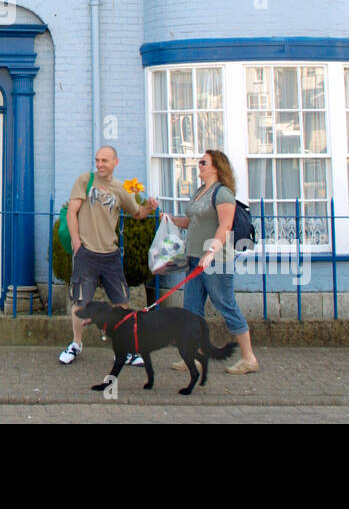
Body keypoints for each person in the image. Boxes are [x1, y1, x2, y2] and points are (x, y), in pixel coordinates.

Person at [59, 146, 159, 365]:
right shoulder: (85, 181)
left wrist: (150, 207)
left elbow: (137, 213)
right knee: (80, 301)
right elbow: (72, 212)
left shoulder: (120, 188)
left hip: (110, 255)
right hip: (86, 253)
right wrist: (77, 243)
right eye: (97, 160)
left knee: (121, 302)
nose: (100, 164)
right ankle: (76, 344)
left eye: (105, 160)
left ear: (115, 162)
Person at [164, 149, 258, 373]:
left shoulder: (222, 194)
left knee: (225, 304)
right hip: (195, 258)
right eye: (199, 163)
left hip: (216, 260)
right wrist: (169, 219)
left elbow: (225, 226)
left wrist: (210, 252)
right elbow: (191, 221)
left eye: (204, 162)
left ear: (216, 167)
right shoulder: (199, 192)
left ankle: (249, 358)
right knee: (192, 308)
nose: (200, 166)